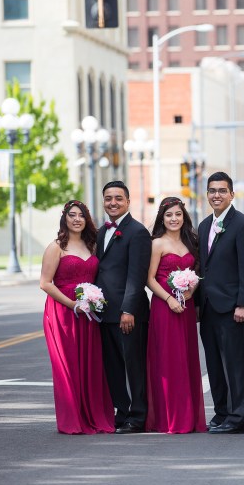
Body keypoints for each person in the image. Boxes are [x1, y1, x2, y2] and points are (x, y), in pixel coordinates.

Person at [39, 200, 114, 434]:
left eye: (81, 215)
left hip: (88, 314)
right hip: (63, 312)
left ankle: (91, 415)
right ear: (65, 218)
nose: (77, 219)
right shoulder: (56, 247)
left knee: (89, 364)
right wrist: (73, 305)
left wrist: (92, 302)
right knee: (68, 366)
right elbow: (45, 283)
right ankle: (72, 419)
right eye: (72, 215)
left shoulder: (91, 246)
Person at [197, 172, 244, 434]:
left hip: (233, 307)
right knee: (213, 363)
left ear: (232, 194)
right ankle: (221, 412)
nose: (217, 195)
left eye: (222, 190)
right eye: (212, 190)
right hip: (208, 307)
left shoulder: (243, 225)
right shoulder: (202, 226)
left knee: (236, 363)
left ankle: (238, 416)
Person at [144, 197, 206, 434]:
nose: (173, 219)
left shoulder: (191, 242)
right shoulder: (157, 244)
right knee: (168, 360)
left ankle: (189, 416)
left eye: (178, 214)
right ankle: (170, 416)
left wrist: (191, 291)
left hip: (186, 308)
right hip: (164, 307)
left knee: (186, 358)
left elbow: (197, 273)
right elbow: (149, 278)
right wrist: (169, 299)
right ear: (162, 218)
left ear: (184, 217)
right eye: (169, 215)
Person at [95, 181, 152, 434]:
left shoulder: (137, 232)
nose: (113, 202)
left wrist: (128, 310)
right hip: (105, 312)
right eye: (108, 198)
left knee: (134, 366)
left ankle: (137, 416)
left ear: (128, 201)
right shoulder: (100, 232)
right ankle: (122, 411)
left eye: (118, 198)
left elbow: (136, 275)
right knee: (113, 366)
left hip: (129, 313)